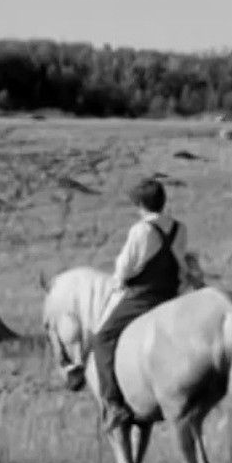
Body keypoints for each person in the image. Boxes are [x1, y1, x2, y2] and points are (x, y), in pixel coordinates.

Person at [90, 177, 189, 430]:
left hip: (143, 297)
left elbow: (124, 268)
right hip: (172, 295)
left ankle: (113, 403)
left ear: (141, 205)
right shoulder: (180, 228)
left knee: (101, 338)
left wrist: (118, 282)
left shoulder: (141, 230)